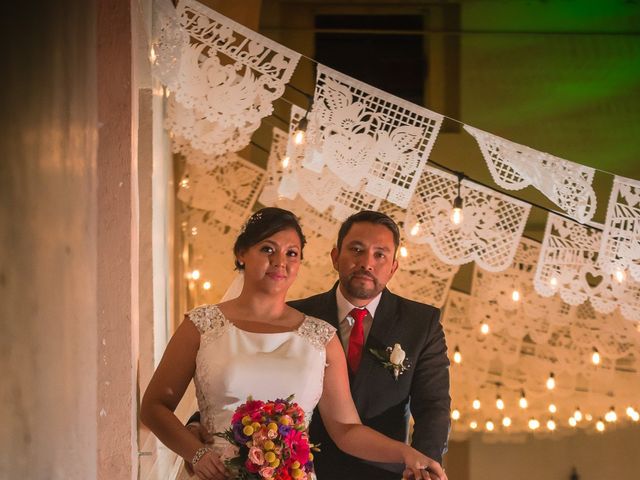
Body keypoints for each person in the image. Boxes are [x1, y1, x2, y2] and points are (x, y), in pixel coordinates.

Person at [140, 207, 447, 480]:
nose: (280, 262)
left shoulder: (318, 335)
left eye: (291, 253)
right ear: (241, 253)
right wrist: (195, 449)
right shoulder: (201, 324)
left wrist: (410, 454)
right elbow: (158, 406)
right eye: (267, 249)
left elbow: (347, 428)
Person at [290, 211, 451, 480]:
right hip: (303, 470)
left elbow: (433, 405)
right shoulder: (297, 316)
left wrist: (424, 466)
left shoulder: (422, 324)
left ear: (393, 267)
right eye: (356, 249)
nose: (367, 262)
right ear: (335, 257)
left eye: (380, 255)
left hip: (385, 473)